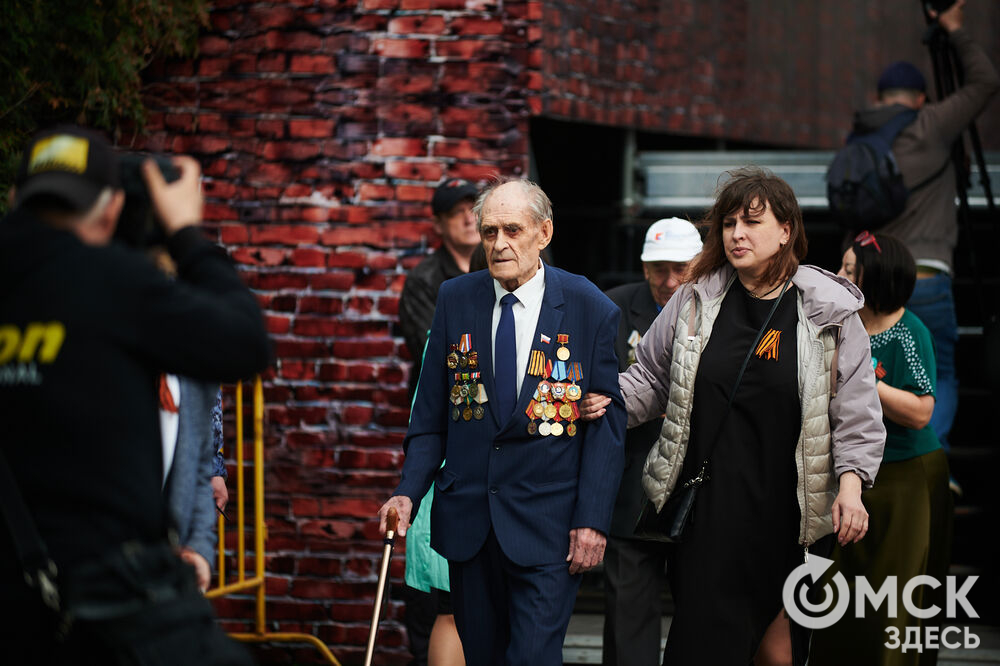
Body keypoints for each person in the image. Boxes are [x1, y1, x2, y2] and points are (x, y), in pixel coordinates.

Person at [582, 168, 886, 666]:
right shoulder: (695, 298)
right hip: (710, 512)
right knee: (704, 644)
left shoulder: (827, 310)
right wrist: (602, 401)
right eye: (728, 224)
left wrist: (851, 488)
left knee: (779, 653)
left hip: (792, 513)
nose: (736, 234)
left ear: (786, 230)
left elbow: (855, 412)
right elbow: (652, 379)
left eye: (751, 222)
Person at [0, 125, 270, 665]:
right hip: (111, 590)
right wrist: (186, 236)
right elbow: (245, 344)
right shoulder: (109, 281)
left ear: (13, 199)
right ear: (110, 210)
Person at [377, 178, 626, 665]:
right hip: (470, 523)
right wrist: (408, 491)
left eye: (513, 230)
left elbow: (606, 429)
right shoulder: (455, 298)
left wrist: (592, 521)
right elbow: (431, 416)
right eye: (489, 232)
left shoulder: (588, 305)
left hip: (548, 524)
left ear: (544, 233)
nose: (499, 244)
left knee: (533, 656)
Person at [852, 0, 999, 452]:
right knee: (942, 373)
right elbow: (985, 82)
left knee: (871, 370)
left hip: (871, 280)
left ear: (880, 98)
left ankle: (879, 457)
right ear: (919, 99)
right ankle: (935, 458)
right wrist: (955, 29)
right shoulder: (930, 125)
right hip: (927, 275)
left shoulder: (860, 139)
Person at [810, 232, 953, 666]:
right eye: (841, 266)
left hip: (905, 477)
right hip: (850, 477)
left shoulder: (909, 331)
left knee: (896, 599)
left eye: (850, 271)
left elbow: (922, 411)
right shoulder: (839, 323)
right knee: (840, 597)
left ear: (877, 279)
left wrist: (863, 380)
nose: (838, 276)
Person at [601, 217, 702, 666]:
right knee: (628, 623)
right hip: (630, 485)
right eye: (659, 268)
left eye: (681, 268)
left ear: (698, 266)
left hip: (697, 484)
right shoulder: (612, 307)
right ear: (644, 267)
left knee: (701, 621)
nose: (670, 280)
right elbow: (597, 386)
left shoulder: (721, 306)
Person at [398, 178, 479, 666]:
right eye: (457, 212)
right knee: (447, 601)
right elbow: (446, 366)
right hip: (450, 440)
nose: (470, 219)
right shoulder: (431, 284)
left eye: (475, 209)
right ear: (440, 224)